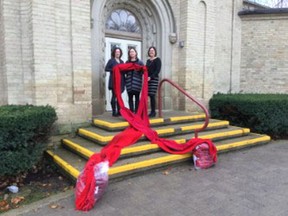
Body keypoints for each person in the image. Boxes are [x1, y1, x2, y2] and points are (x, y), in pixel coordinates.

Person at [105, 47, 125, 117]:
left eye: (119, 52)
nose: (117, 53)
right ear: (114, 53)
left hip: (121, 81)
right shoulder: (111, 61)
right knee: (114, 95)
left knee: (119, 96)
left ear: (120, 53)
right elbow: (106, 68)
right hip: (114, 81)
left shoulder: (122, 62)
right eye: (116, 52)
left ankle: (119, 111)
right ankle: (114, 111)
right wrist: (114, 69)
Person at [125, 47, 144, 113]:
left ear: (136, 53)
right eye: (130, 52)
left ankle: (136, 112)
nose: (132, 53)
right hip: (129, 83)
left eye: (133, 51)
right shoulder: (127, 62)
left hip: (137, 83)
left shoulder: (140, 62)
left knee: (137, 98)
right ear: (129, 54)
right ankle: (131, 112)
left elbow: (143, 71)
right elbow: (124, 71)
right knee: (130, 98)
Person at [146, 46, 162, 117]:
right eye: (150, 51)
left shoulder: (157, 60)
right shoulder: (148, 61)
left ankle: (153, 112)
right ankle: (149, 111)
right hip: (148, 79)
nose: (151, 52)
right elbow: (146, 70)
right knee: (148, 95)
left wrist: (151, 77)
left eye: (152, 50)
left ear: (155, 52)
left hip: (154, 79)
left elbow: (157, 70)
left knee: (152, 95)